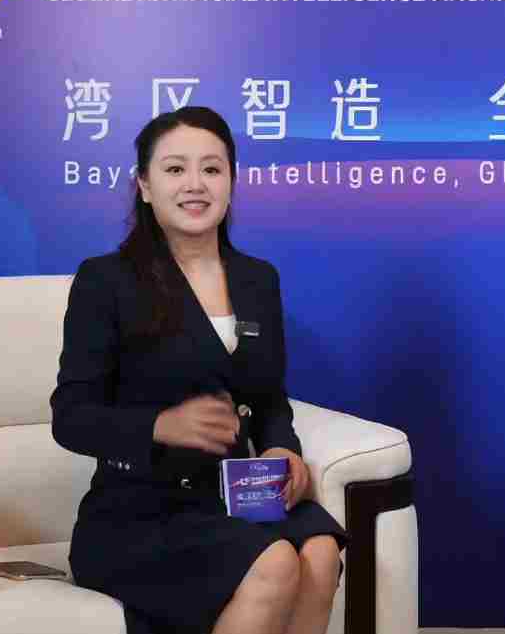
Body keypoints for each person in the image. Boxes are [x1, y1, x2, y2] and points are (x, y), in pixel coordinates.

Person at [52, 106, 347, 634]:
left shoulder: (258, 279)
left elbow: (270, 400)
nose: (195, 184)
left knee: (320, 552)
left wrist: (282, 449)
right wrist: (159, 426)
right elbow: (70, 417)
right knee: (275, 561)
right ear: (144, 186)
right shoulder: (106, 281)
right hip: (139, 511)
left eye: (212, 169)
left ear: (231, 181)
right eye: (175, 169)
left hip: (237, 496)